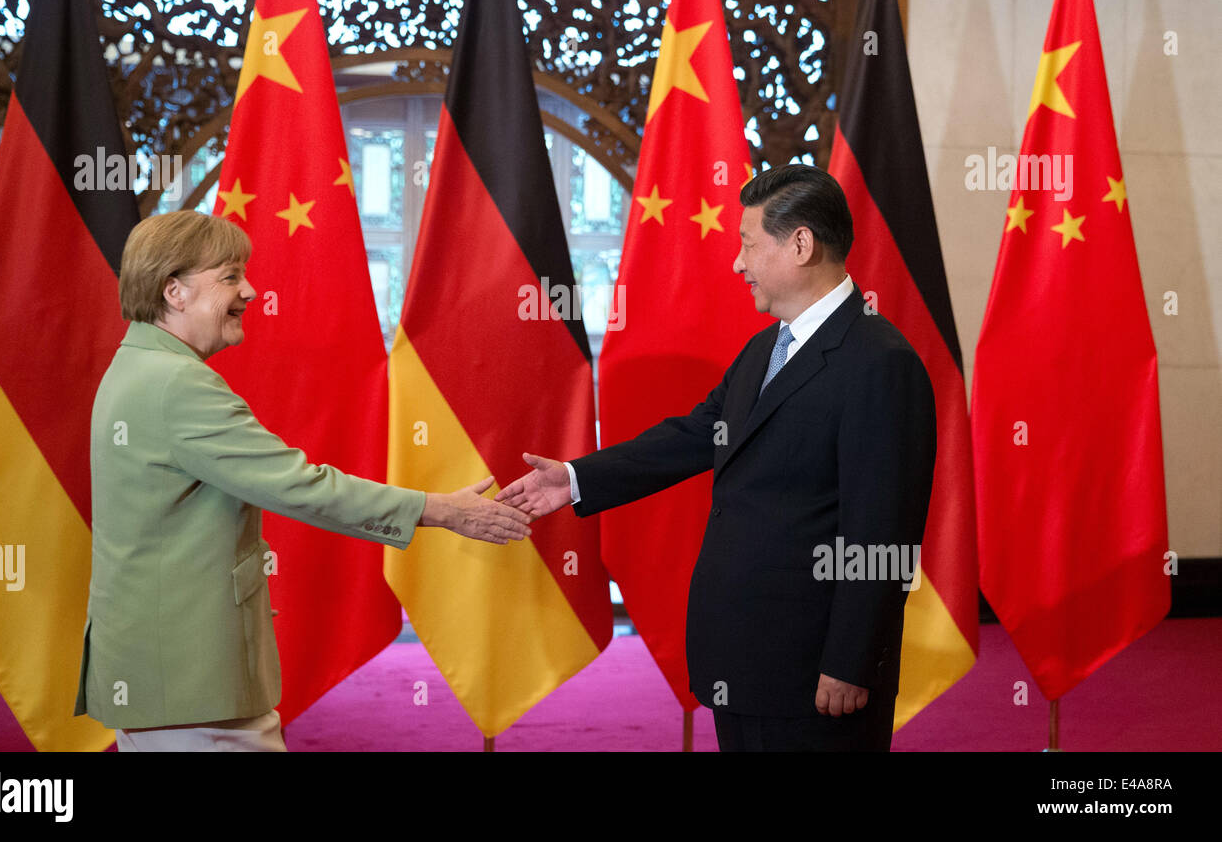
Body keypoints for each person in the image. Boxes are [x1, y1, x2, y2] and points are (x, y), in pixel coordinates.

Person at [498, 164, 936, 751]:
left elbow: (883, 531)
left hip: (817, 672)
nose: (737, 262)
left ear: (800, 244)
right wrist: (577, 479)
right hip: (746, 659)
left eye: (748, 243)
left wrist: (853, 661)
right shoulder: (765, 347)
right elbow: (697, 434)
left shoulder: (881, 362)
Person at [74, 210, 531, 751]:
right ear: (174, 291)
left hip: (162, 669)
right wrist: (440, 509)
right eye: (229, 277)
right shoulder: (177, 385)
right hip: (189, 675)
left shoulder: (138, 364)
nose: (249, 289)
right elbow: (302, 485)